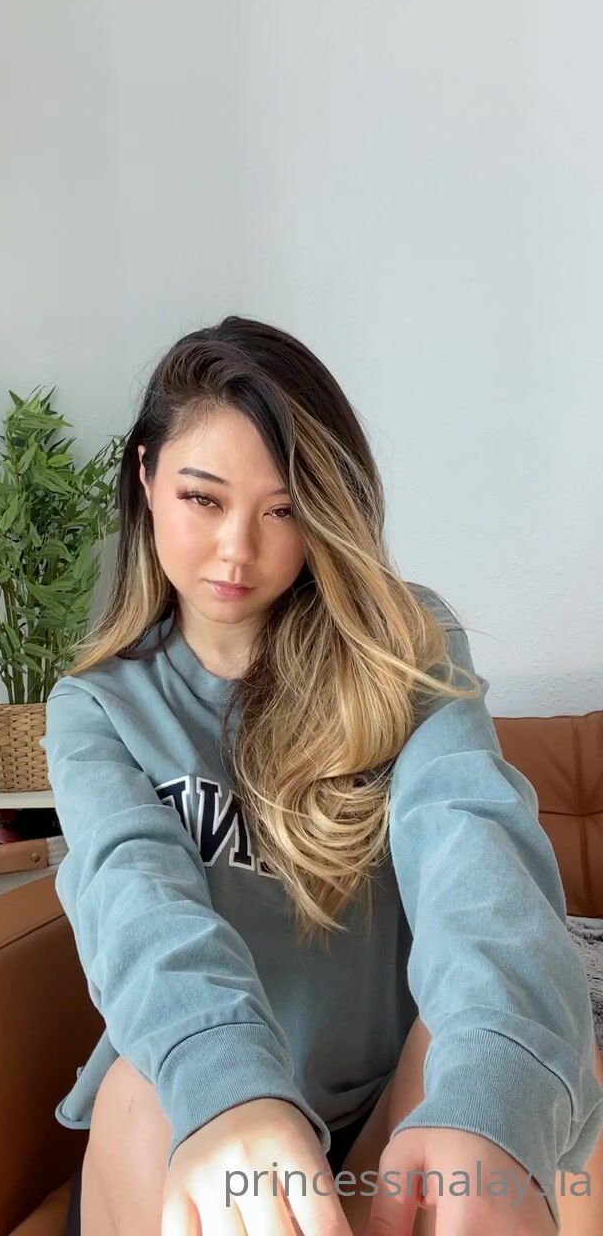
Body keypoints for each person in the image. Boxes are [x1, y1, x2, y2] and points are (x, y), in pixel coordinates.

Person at [40, 315, 603, 1236]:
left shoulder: (402, 645)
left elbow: (475, 860)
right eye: (203, 498)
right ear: (145, 478)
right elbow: (134, 908)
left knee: (534, 1088)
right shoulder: (97, 705)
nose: (237, 549)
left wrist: (497, 1094)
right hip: (199, 1111)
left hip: (388, 1116)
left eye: (283, 509)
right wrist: (228, 1088)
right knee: (141, 1087)